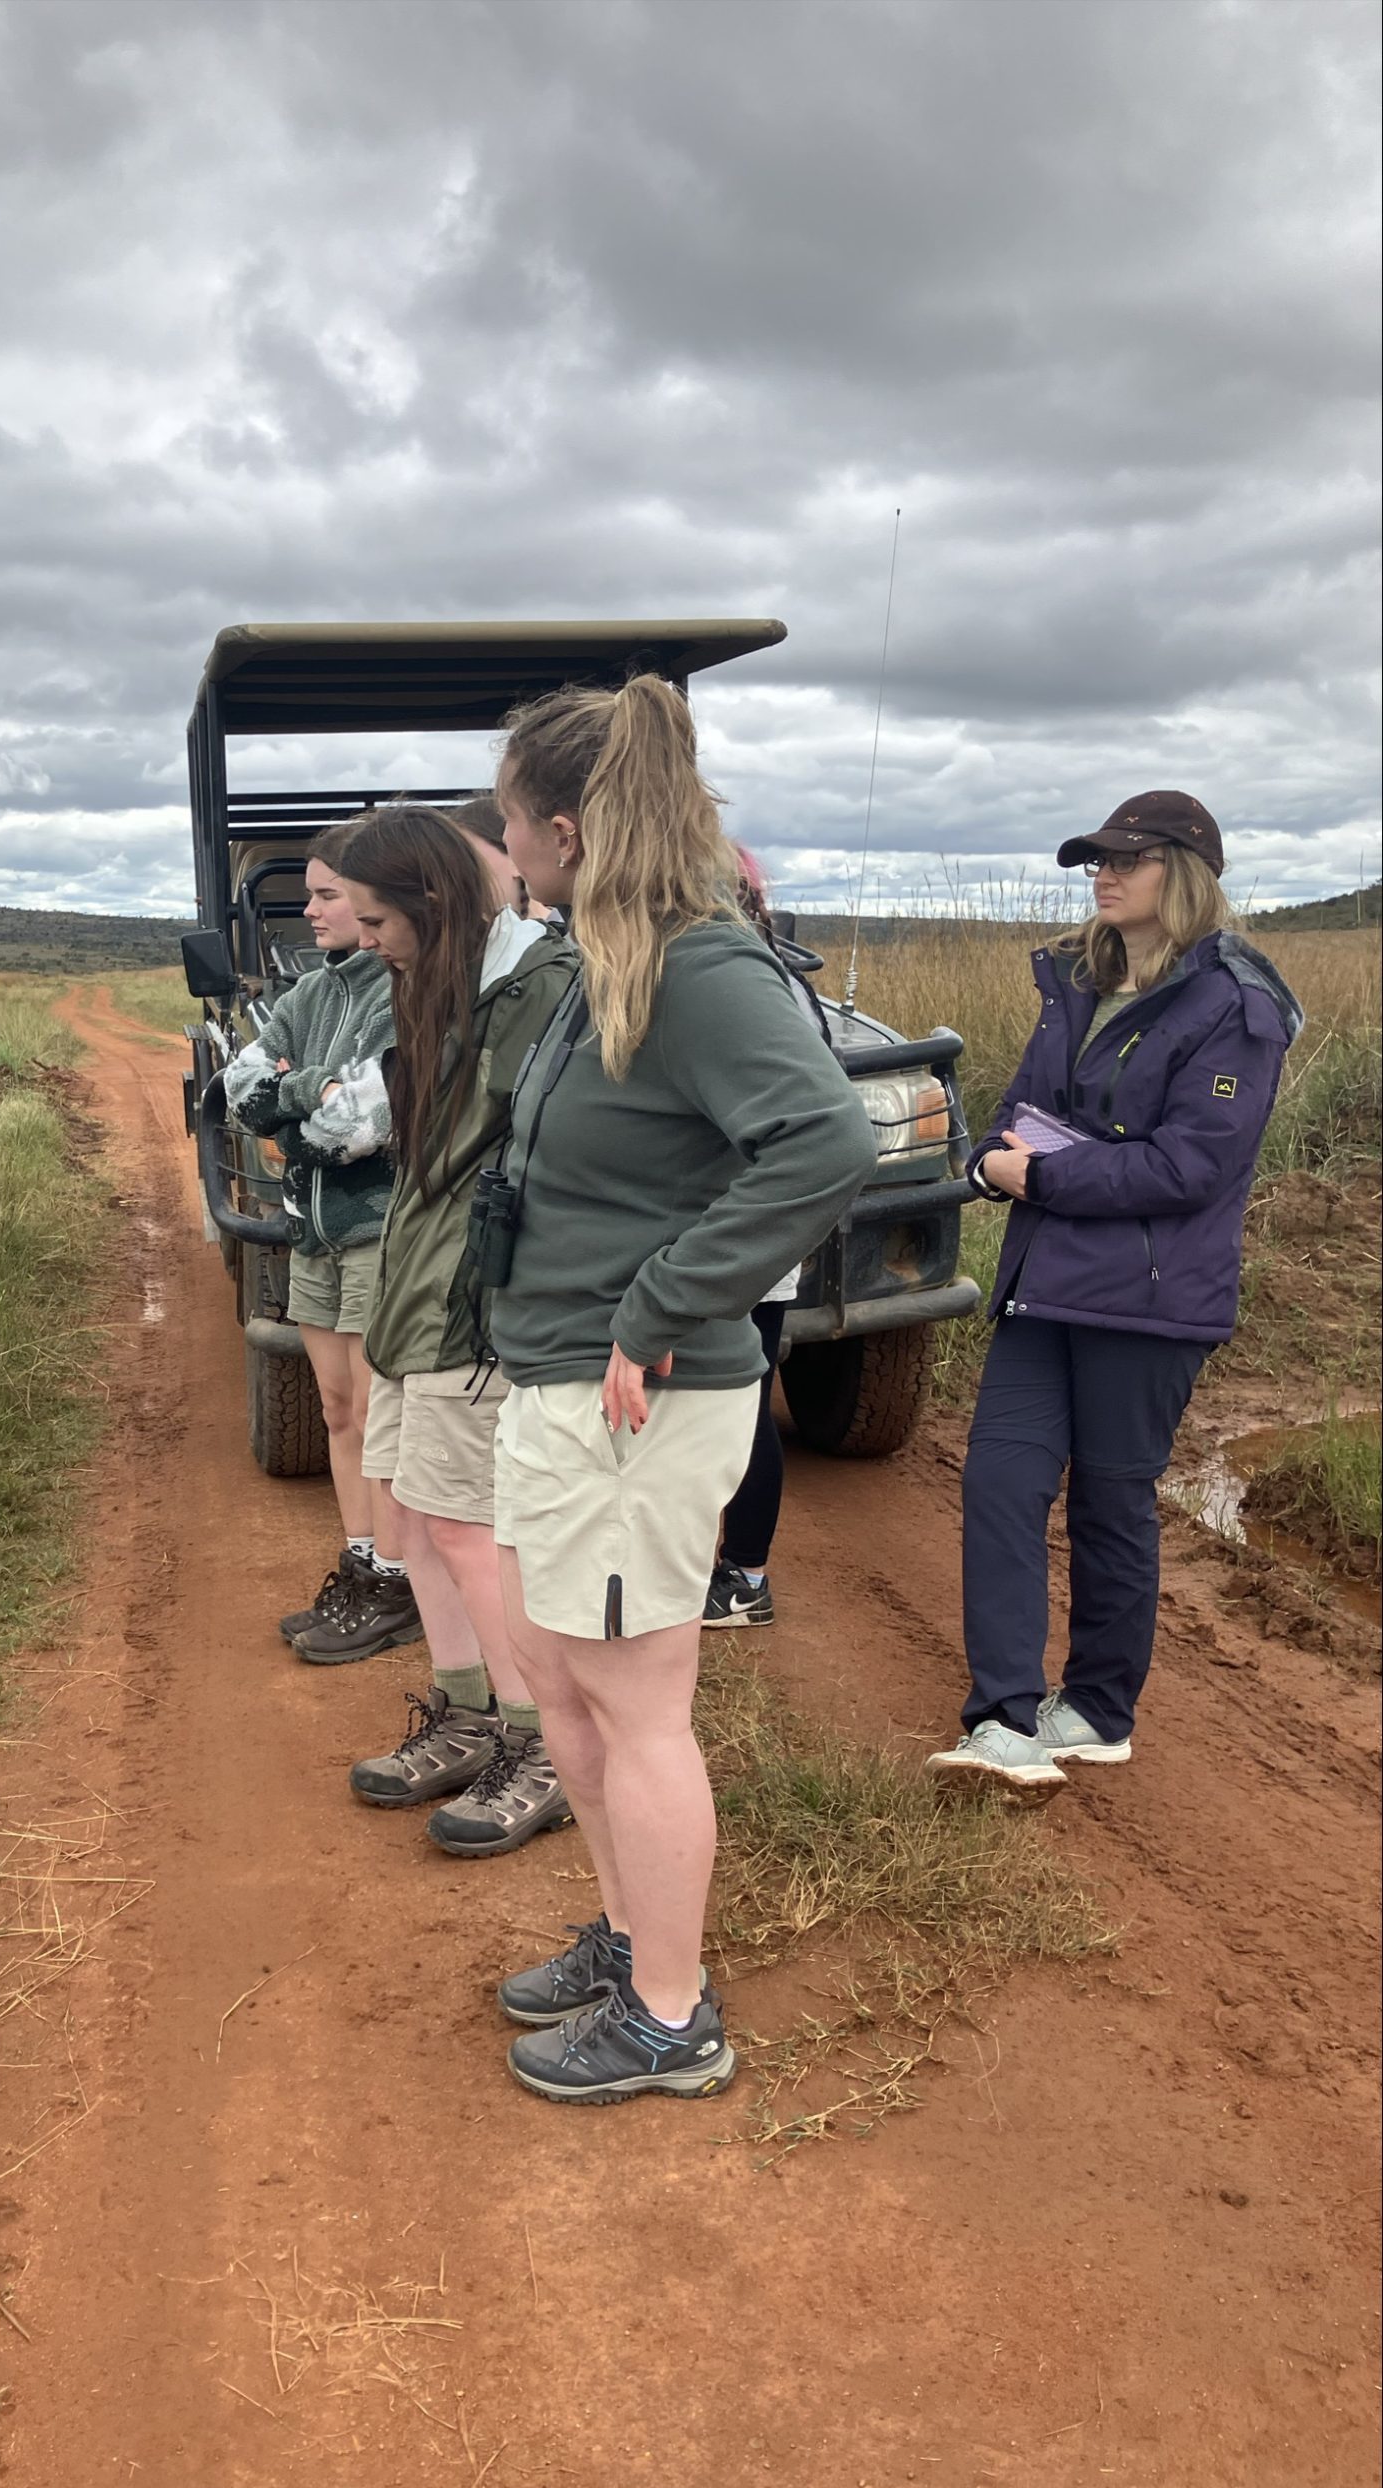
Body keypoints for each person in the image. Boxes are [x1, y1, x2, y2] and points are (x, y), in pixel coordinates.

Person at [480, 676, 876, 2103]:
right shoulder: (608, 954)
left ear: (569, 831)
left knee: (634, 1704)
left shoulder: (699, 966)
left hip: (633, 1402)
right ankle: (635, 1931)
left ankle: (669, 2015)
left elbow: (822, 1142)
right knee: (568, 1693)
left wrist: (658, 1306)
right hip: (568, 1385)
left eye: (513, 829)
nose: (505, 853)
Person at [927, 791, 1300, 1792]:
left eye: (1126, 857)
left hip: (1147, 1298)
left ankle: (1096, 1708)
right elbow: (1022, 1112)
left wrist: (1040, 1176)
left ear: (1183, 872)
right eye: (1096, 857)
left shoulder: (1236, 1006)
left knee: (1110, 1500)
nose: (1103, 870)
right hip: (1044, 1284)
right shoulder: (1076, 984)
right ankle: (1003, 1719)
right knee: (1000, 1482)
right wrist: (986, 1161)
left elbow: (1190, 1168)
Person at [325, 803, 579, 1856]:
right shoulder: (436, 984)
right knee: (419, 1519)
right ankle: (470, 1710)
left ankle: (541, 1743)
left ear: (435, 902)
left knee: (475, 1532)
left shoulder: (533, 991)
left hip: (469, 1305)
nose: (368, 938)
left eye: (381, 918)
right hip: (413, 1292)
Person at [224, 836, 420, 1661]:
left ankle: (398, 1582)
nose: (310, 911)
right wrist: (310, 1090)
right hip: (313, 1230)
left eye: (328, 896)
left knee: (379, 1414)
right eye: (309, 895)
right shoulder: (308, 993)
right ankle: (361, 1561)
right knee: (339, 1407)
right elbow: (238, 1090)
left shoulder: (405, 993)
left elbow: (361, 1129)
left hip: (376, 1226)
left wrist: (291, 1117)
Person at [702, 845, 819, 1630]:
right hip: (752, 1237)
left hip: (740, 1237)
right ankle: (738, 1571)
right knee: (740, 1402)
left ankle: (744, 1578)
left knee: (739, 1408)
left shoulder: (745, 984)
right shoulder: (774, 976)